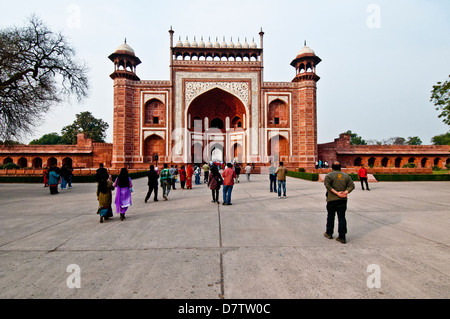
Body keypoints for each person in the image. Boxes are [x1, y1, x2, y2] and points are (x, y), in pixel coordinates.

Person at [323, 161, 355, 244]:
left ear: (332, 167)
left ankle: (329, 233)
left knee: (330, 216)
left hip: (332, 200)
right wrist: (345, 193)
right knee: (342, 218)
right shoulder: (346, 176)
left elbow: (328, 186)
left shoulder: (329, 175)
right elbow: (352, 186)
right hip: (342, 200)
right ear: (340, 167)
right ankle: (342, 237)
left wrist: (337, 193)